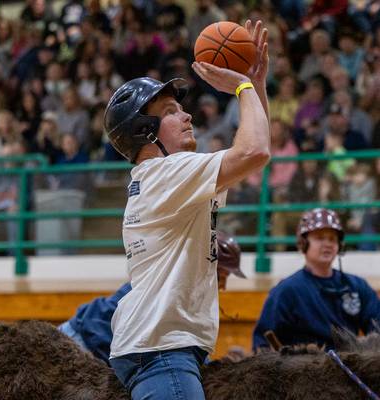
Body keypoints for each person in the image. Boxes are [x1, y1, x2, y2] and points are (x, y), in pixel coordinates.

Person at [103, 19, 270, 400]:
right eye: (172, 111)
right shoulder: (166, 174)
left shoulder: (167, 178)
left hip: (160, 345)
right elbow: (255, 151)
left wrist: (256, 86)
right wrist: (242, 86)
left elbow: (254, 152)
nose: (187, 116)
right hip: (161, 349)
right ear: (146, 130)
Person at [60, 231, 245, 365]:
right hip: (81, 339)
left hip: (96, 340)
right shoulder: (171, 289)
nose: (223, 287)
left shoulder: (186, 293)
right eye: (222, 277)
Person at [252, 208, 380, 351]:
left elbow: (377, 328)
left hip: (348, 368)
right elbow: (262, 343)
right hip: (303, 369)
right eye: (319, 237)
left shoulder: (357, 286)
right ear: (303, 243)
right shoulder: (287, 290)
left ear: (340, 245)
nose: (328, 244)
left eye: (332, 238)